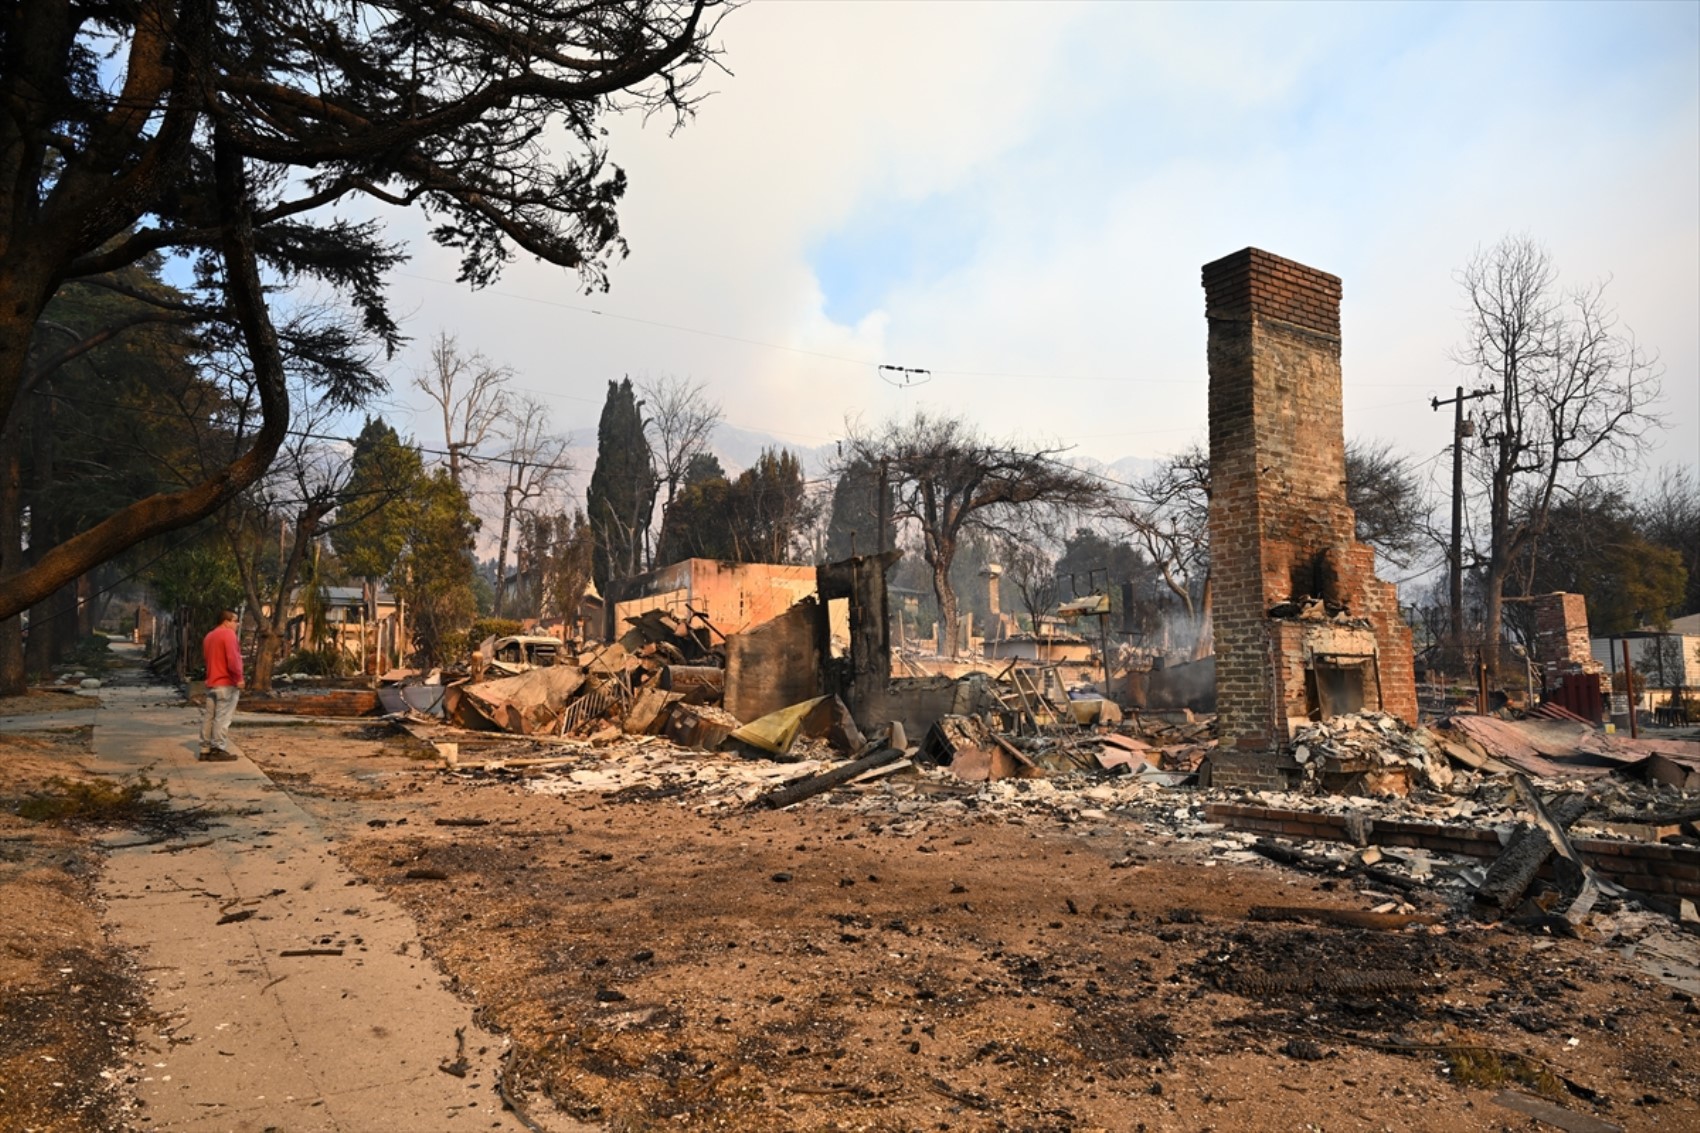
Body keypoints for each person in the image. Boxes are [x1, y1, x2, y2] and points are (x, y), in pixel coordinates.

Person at [200, 610, 244, 761]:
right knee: (223, 717)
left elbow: (207, 658)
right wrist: (239, 677)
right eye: (235, 621)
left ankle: (205, 748)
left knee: (209, 717)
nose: (237, 624)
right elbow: (233, 659)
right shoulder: (229, 635)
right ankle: (218, 748)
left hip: (212, 682)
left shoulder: (209, 636)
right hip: (226, 682)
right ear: (226, 621)